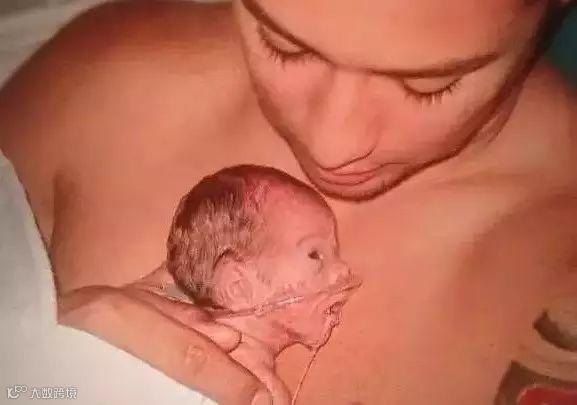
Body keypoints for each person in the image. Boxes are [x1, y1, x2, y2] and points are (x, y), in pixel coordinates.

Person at [0, 0, 576, 404]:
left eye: (428, 85)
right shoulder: (104, 84)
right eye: (283, 44)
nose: (333, 147)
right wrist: (29, 368)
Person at [137, 165, 361, 404]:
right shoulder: (254, 385)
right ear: (238, 287)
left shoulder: (164, 334)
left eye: (335, 254)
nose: (344, 270)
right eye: (315, 255)